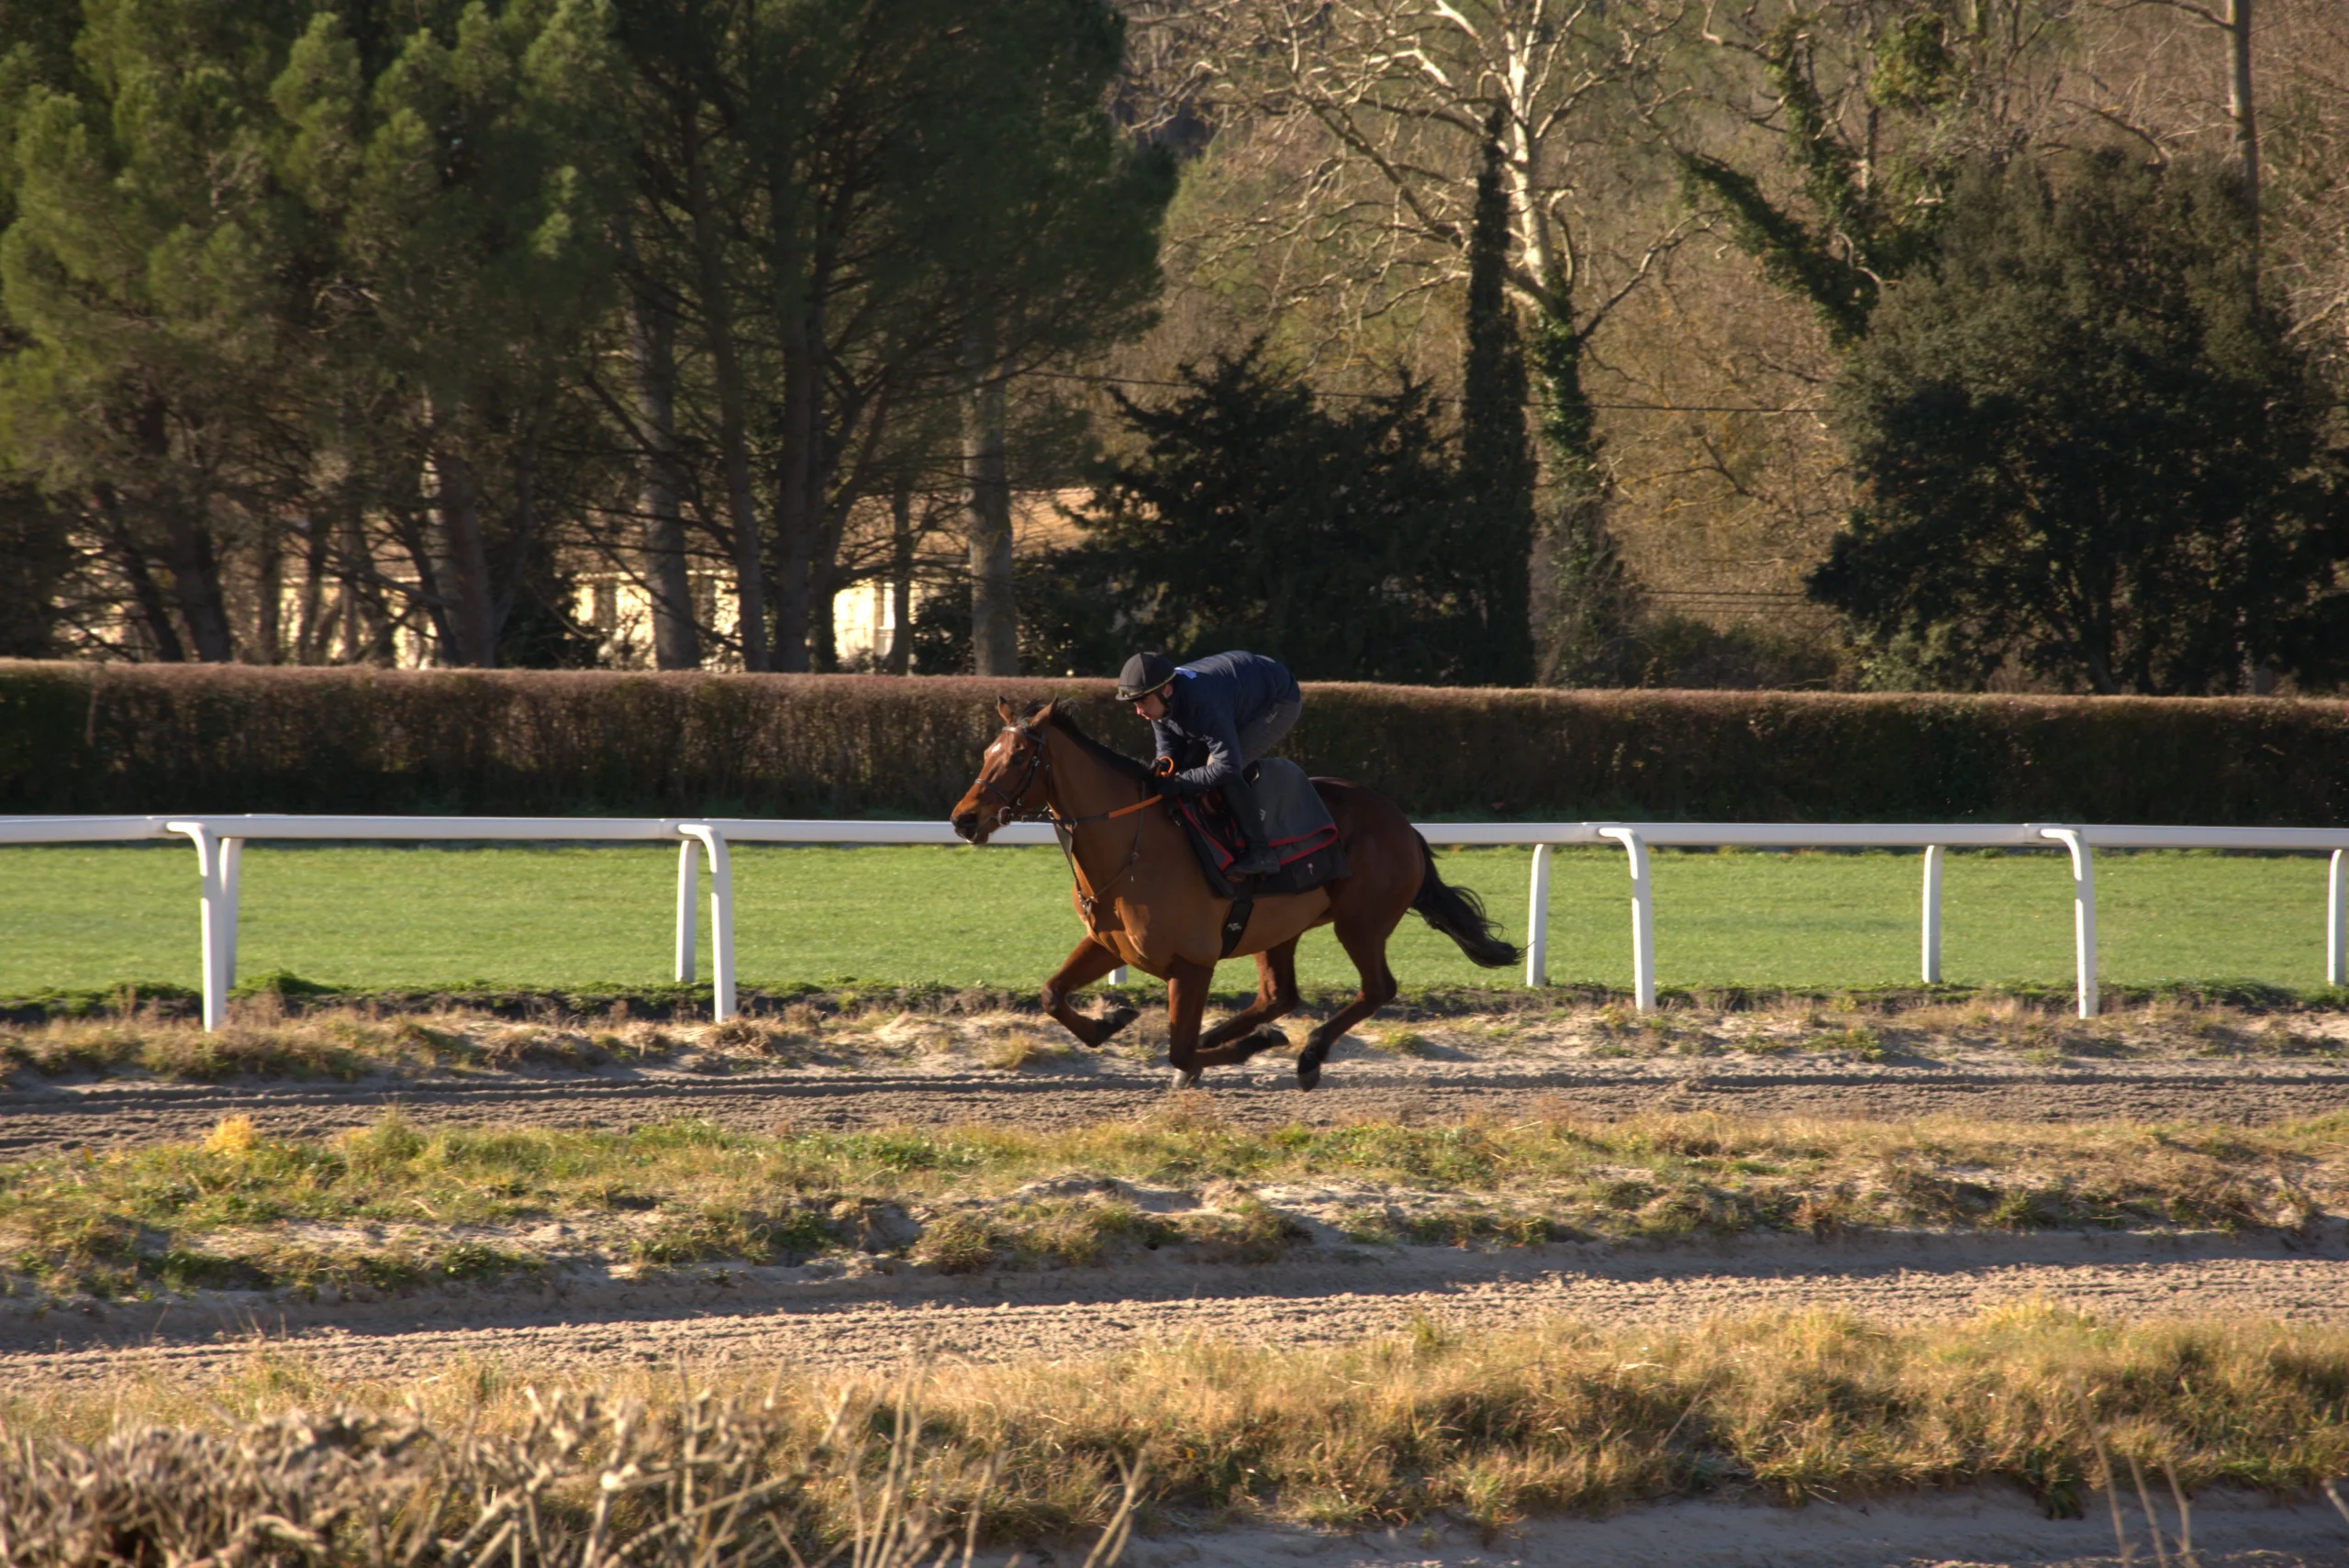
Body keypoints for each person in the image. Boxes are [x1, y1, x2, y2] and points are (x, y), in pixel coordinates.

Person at [1116, 650, 1302, 876]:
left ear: (1166, 690)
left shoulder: (1203, 702)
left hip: (1277, 700)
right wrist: (1163, 770)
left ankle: (1262, 853)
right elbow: (1169, 752)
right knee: (1186, 766)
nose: (1139, 711)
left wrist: (1180, 781)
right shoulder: (1161, 700)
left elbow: (1226, 767)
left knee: (1221, 769)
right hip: (1238, 689)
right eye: (1135, 703)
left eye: (1143, 701)